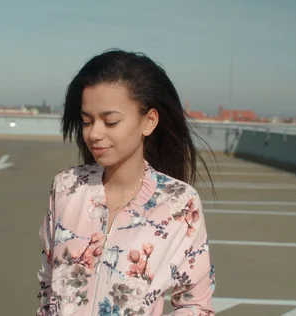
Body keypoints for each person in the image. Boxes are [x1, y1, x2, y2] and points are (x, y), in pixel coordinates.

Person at [36, 49, 216, 316]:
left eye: (111, 121)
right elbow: (48, 285)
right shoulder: (66, 187)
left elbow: (195, 305)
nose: (95, 133)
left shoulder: (179, 203)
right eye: (87, 121)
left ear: (149, 121)